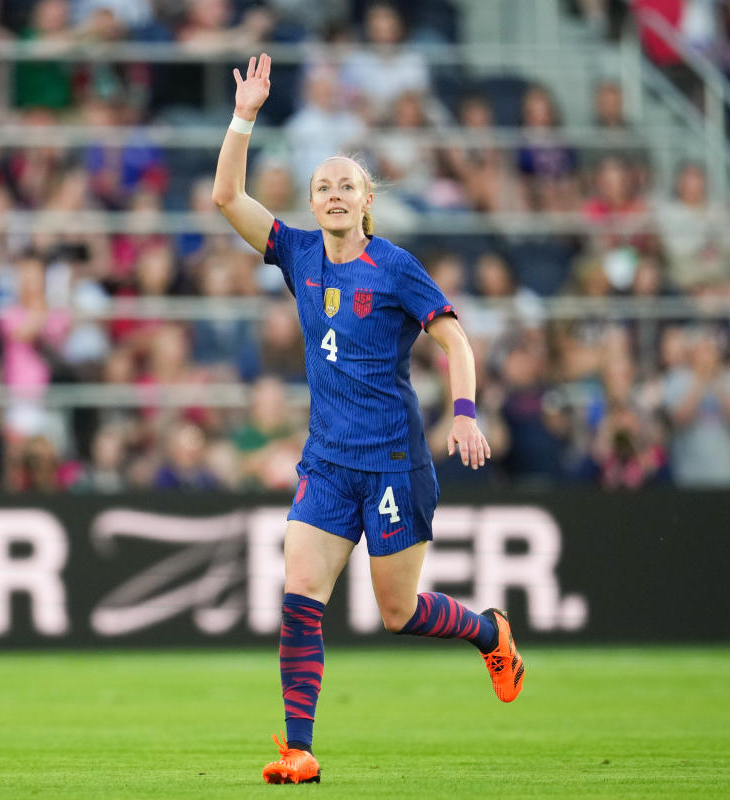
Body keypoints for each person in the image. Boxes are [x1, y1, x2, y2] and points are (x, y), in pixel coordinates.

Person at [212, 54, 525, 786]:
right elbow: (227, 195)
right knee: (299, 597)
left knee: (397, 612)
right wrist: (244, 117)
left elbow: (452, 337)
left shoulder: (394, 266)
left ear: (366, 198)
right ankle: (299, 750)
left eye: (345, 184)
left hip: (392, 462)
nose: (332, 194)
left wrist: (466, 411)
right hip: (327, 463)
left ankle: (488, 631)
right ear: (313, 202)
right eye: (322, 186)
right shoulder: (295, 255)